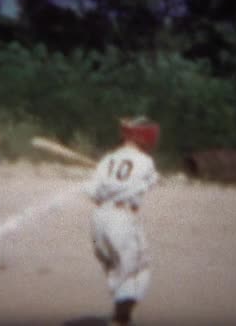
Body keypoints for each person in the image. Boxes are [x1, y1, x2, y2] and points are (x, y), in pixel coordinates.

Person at [83, 116, 160, 325]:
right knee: (136, 271)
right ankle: (120, 319)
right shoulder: (146, 161)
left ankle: (121, 316)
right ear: (144, 137)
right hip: (121, 218)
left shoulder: (107, 159)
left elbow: (91, 191)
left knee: (116, 270)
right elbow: (150, 182)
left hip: (98, 219)